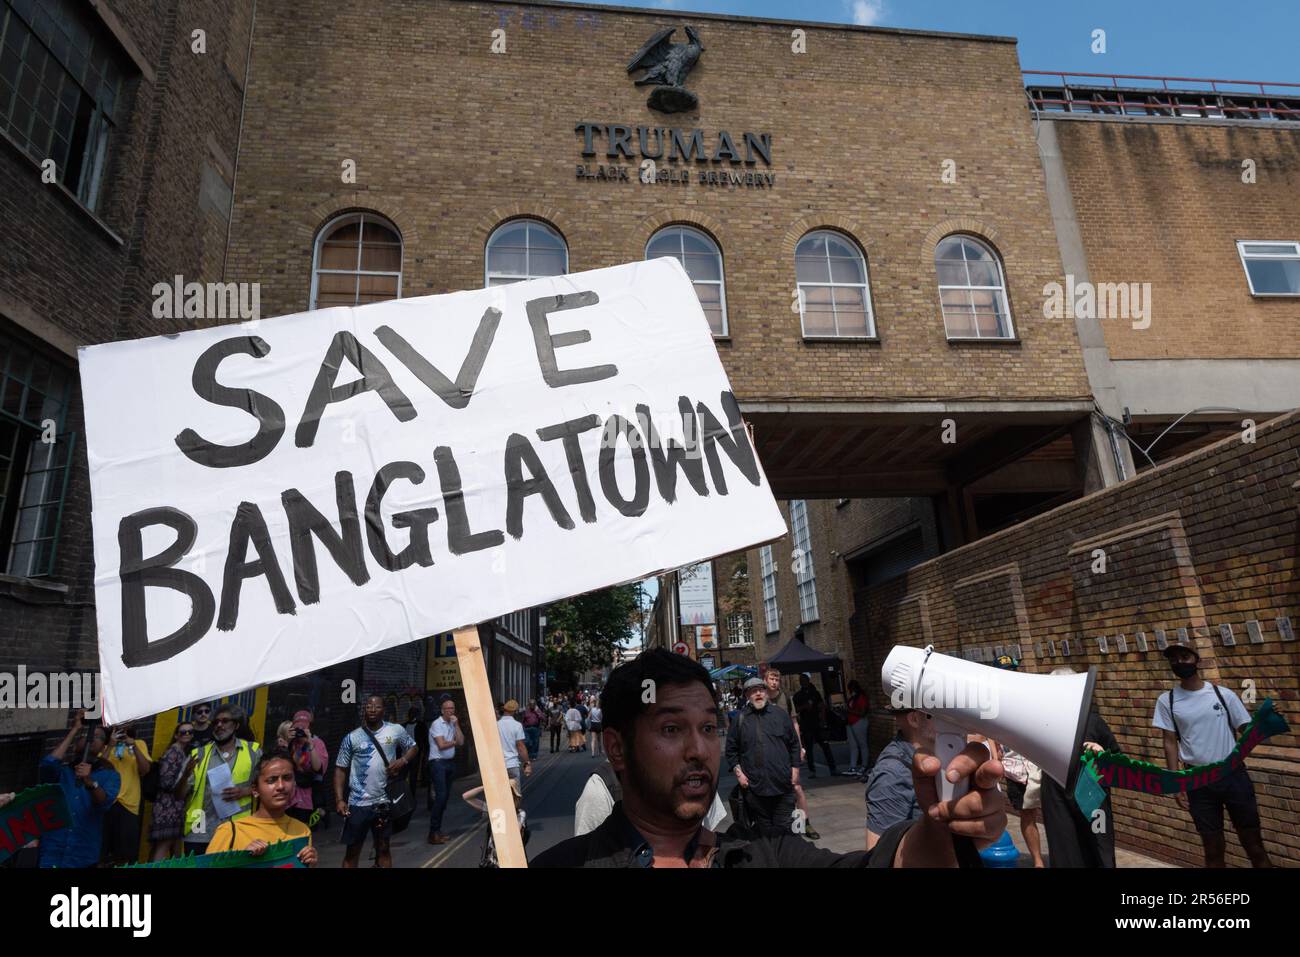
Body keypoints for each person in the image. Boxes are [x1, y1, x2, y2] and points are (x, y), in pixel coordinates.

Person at [532, 649, 1003, 867]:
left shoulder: (763, 856)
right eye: (672, 729)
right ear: (616, 747)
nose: (699, 750)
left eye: (709, 727)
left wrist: (941, 824)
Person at [1153, 644, 1271, 868]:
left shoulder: (1223, 694)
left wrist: (1266, 723)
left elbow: (1247, 731)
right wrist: (1175, 783)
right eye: (1174, 660)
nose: (1179, 663)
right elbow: (1169, 742)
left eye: (1184, 657)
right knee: (1213, 849)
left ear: (1196, 660)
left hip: (1233, 775)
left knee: (1253, 844)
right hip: (1198, 781)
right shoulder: (1166, 701)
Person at [1040, 666, 1120, 868]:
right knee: (1064, 846)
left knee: (1100, 842)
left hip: (1092, 791)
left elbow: (1117, 758)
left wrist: (1101, 752)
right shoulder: (1044, 722)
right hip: (1056, 791)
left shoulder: (1093, 721)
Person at [334, 695, 418, 868]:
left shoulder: (395, 730)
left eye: (377, 707)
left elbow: (413, 748)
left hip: (384, 803)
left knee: (384, 848)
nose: (372, 710)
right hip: (358, 804)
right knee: (352, 851)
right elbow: (340, 769)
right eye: (369, 707)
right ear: (364, 710)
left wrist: (402, 761)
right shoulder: (352, 737)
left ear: (383, 710)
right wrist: (339, 799)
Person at [205, 751, 318, 867]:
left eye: (287, 778)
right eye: (271, 780)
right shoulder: (230, 831)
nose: (281, 786)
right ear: (255, 790)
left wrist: (311, 864)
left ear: (294, 783)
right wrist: (242, 859)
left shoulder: (302, 831)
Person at [37, 711, 120, 869]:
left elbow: (104, 802)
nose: (92, 738)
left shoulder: (110, 775)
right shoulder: (63, 772)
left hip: (82, 855)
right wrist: (75, 729)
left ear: (104, 746)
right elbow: (48, 764)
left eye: (99, 737)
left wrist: (89, 782)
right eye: (88, 734)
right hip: (52, 850)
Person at [180, 702, 262, 855]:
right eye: (216, 722)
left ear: (236, 725)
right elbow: (179, 795)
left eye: (225, 721)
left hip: (238, 830)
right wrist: (184, 776)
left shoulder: (253, 751)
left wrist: (245, 791)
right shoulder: (198, 754)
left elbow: (266, 787)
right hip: (200, 831)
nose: (219, 725)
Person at [725, 676, 801, 838]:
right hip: (755, 789)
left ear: (766, 693)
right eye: (754, 691)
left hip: (783, 786)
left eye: (761, 690)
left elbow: (794, 744)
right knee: (764, 833)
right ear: (747, 696)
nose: (758, 694)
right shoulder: (739, 719)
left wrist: (795, 769)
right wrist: (739, 773)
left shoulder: (780, 715)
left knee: (786, 832)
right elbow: (731, 751)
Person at [763, 665, 820, 839]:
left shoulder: (786, 698)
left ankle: (804, 824)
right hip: (768, 750)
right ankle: (781, 827)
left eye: (777, 679)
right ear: (765, 681)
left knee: (796, 786)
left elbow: (794, 722)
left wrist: (800, 746)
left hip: (787, 748)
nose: (774, 682)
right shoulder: (760, 698)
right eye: (771, 679)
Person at [865, 704, 932, 849]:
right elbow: (878, 855)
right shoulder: (892, 774)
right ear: (915, 719)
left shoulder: (943, 754)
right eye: (942, 713)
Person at [101, 723, 152, 866]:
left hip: (128, 804)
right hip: (107, 802)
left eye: (126, 723)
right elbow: (98, 768)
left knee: (124, 855)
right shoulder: (106, 745)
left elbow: (145, 770)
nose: (122, 726)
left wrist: (133, 745)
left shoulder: (139, 744)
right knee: (101, 852)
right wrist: (110, 745)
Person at [149, 722, 195, 861]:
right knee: (164, 844)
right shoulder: (173, 752)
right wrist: (185, 783)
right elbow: (166, 781)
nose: (187, 734)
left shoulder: (181, 751)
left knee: (170, 846)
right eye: (183, 732)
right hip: (167, 805)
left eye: (190, 732)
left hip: (173, 805)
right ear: (176, 736)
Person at [462, 777, 528, 868]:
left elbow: (514, 834)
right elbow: (466, 797)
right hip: (492, 861)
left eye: (510, 795)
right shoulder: (494, 809)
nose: (506, 797)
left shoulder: (520, 813)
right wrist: (486, 787)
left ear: (515, 798)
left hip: (511, 860)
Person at [427, 696, 465, 845]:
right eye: (448, 708)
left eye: (452, 708)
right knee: (440, 797)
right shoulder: (437, 724)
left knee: (444, 799)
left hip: (449, 764)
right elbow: (441, 745)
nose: (451, 711)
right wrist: (454, 742)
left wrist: (456, 726)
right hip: (438, 764)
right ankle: (433, 832)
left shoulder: (451, 724)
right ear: (442, 710)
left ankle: (438, 830)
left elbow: (461, 741)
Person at [794, 671, 839, 778]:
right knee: (809, 749)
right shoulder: (798, 695)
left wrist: (823, 721)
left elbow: (821, 706)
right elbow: (795, 710)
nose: (803, 682)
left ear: (808, 681)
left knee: (825, 746)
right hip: (806, 725)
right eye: (801, 681)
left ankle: (833, 768)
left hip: (817, 724)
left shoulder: (815, 693)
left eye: (804, 680)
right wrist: (804, 707)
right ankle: (812, 770)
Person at [499, 700, 532, 793]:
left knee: (501, 793)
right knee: (515, 794)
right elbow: (520, 746)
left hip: (499, 765)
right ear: (515, 711)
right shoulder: (517, 725)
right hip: (512, 764)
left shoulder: (496, 725)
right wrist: (527, 763)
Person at [845, 679, 871, 777]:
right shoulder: (852, 698)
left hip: (859, 722)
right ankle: (853, 767)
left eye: (851, 689)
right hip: (850, 723)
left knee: (862, 744)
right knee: (853, 746)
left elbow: (863, 713)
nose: (850, 691)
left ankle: (864, 765)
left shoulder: (861, 697)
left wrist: (849, 711)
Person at [405, 706, 430, 803]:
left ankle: (411, 796)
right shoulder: (404, 725)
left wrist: (425, 754)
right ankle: (406, 794)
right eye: (410, 713)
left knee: (413, 776)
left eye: (413, 713)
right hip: (404, 754)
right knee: (404, 775)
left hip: (415, 754)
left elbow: (425, 741)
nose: (411, 715)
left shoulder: (421, 725)